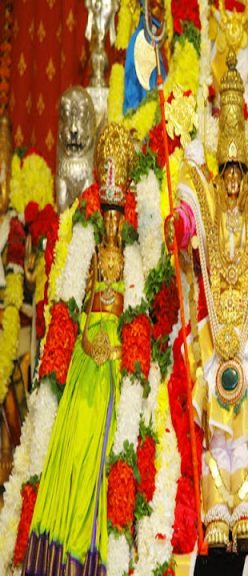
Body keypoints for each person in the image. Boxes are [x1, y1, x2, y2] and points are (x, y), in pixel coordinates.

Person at [169, 56, 248, 552]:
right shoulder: (208, 198)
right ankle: (214, 510)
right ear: (221, 175)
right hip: (214, 332)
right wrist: (179, 227)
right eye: (230, 176)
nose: (237, 184)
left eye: (241, 174)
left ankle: (246, 508)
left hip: (246, 335)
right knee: (215, 430)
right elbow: (187, 217)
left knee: (244, 429)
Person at [25, 123, 138, 575]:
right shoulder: (85, 245)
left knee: (104, 448)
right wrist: (87, 339)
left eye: (117, 217)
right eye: (105, 216)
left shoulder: (132, 253)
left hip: (116, 359)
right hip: (85, 352)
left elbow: (138, 307)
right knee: (74, 447)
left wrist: (119, 352)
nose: (111, 224)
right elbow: (72, 299)